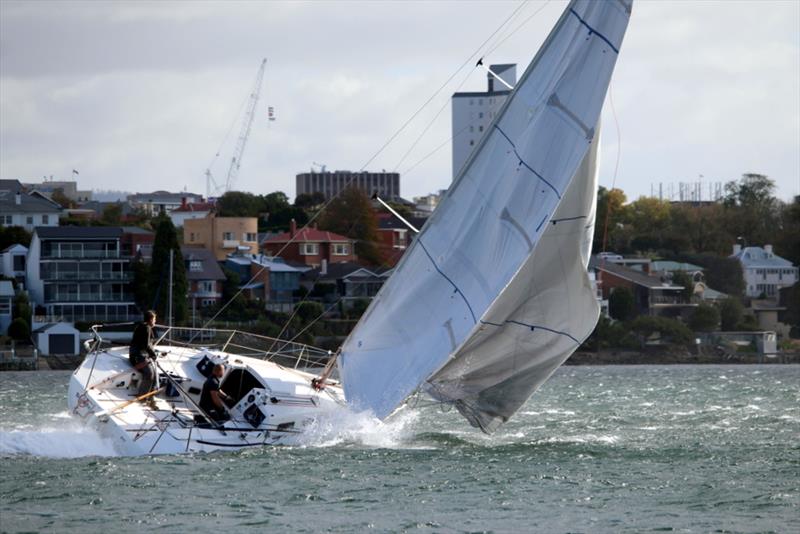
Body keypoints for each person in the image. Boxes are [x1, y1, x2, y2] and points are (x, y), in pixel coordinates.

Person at [129, 310, 158, 397]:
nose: (155, 321)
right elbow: (146, 345)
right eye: (154, 319)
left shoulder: (140, 326)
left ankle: (149, 394)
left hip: (136, 355)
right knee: (150, 374)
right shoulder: (147, 328)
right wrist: (153, 355)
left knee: (154, 372)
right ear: (150, 319)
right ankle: (142, 396)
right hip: (138, 357)